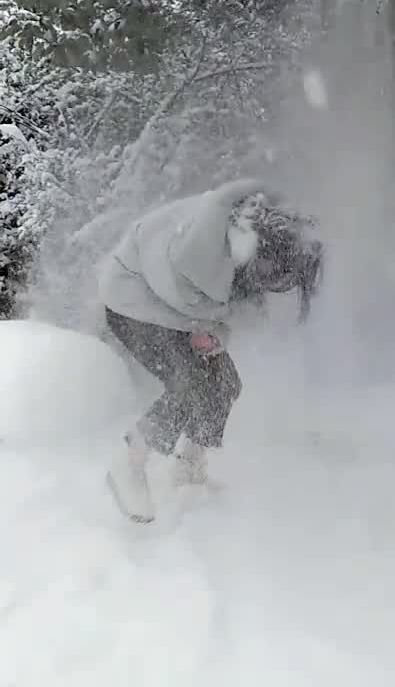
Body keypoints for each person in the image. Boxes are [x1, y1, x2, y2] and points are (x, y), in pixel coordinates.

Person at [99, 179, 323, 523]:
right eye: (278, 274)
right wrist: (208, 328)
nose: (277, 282)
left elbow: (217, 311)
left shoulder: (240, 238)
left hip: (176, 310)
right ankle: (128, 464)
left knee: (225, 384)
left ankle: (189, 466)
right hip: (132, 305)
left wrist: (212, 331)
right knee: (188, 385)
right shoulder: (198, 252)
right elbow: (190, 297)